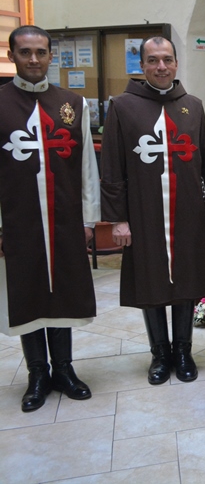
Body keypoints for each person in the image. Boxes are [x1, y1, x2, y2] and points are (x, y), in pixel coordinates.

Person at [102, 36, 205, 384]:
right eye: (153, 60)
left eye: (167, 59)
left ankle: (183, 351)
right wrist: (118, 219)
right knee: (150, 280)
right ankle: (159, 354)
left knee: (186, 279)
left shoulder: (193, 106)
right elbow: (113, 166)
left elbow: (202, 164)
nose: (161, 66)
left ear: (176, 63)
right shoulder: (122, 107)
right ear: (142, 65)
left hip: (187, 212)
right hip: (143, 212)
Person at [0, 25, 100, 412]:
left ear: (51, 56)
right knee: (30, 294)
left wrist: (89, 219)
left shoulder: (71, 103)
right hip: (19, 219)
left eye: (41, 52)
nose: (34, 59)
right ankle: (37, 374)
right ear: (12, 55)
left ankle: (64, 369)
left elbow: (87, 165)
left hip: (65, 218)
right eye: (25, 52)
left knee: (64, 293)